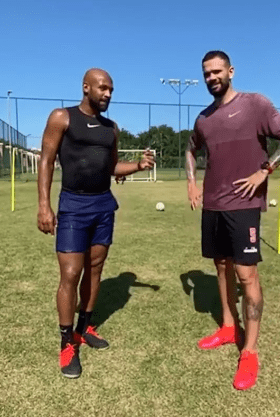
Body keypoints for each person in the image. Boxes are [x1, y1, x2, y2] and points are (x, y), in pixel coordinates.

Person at [186, 51, 280, 390]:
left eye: (217, 72)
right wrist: (192, 182)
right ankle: (227, 327)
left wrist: (265, 170)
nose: (212, 78)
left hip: (244, 205)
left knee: (246, 274)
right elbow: (191, 149)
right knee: (220, 266)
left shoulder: (255, 104)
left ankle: (249, 352)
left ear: (231, 71)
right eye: (207, 73)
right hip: (213, 205)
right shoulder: (204, 119)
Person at [37, 68, 154, 379]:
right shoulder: (62, 117)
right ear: (86, 87)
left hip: (103, 204)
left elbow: (113, 165)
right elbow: (47, 160)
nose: (108, 94)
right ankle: (66, 343)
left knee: (96, 268)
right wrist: (44, 205)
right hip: (73, 205)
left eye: (111, 90)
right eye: (103, 88)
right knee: (71, 273)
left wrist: (139, 166)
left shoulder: (111, 128)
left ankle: (84, 327)